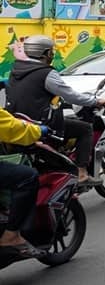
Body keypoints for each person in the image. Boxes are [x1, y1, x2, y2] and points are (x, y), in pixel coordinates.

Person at [5, 35, 105, 186]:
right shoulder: (46, 73)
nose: (52, 54)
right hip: (42, 125)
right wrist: (95, 101)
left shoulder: (16, 69)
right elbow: (70, 95)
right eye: (51, 51)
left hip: (20, 121)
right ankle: (82, 173)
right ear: (45, 53)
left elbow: (34, 94)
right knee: (85, 129)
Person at [0, 108, 46, 258]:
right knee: (28, 177)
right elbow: (11, 127)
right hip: (30, 127)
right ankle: (11, 236)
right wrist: (39, 130)